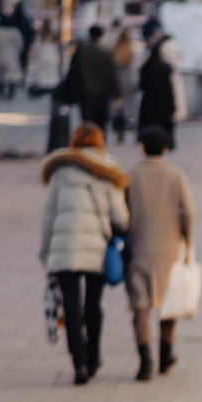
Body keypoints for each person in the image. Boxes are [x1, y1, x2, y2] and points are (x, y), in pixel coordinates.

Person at [39, 121, 129, 385]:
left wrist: (46, 253)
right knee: (92, 305)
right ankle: (93, 356)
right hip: (97, 248)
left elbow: (49, 217)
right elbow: (120, 216)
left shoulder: (60, 171)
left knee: (70, 306)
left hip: (64, 250)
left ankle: (78, 363)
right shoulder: (109, 170)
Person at [123, 125, 193, 382]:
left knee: (141, 306)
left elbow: (121, 214)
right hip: (169, 248)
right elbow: (189, 211)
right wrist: (186, 238)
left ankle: (145, 359)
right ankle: (165, 352)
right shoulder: (176, 176)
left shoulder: (130, 176)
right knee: (168, 303)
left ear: (142, 147)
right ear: (165, 148)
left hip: (138, 247)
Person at [68, 25, 119, 132]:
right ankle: (98, 145)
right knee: (101, 125)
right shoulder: (105, 53)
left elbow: (73, 72)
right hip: (102, 94)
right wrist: (117, 94)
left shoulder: (81, 52)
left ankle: (89, 144)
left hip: (86, 93)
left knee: (87, 125)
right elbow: (112, 75)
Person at [134, 36, 177, 140]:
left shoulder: (146, 67)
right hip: (164, 101)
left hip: (149, 100)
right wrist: (173, 106)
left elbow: (141, 85)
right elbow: (170, 87)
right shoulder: (166, 68)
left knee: (148, 122)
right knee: (163, 123)